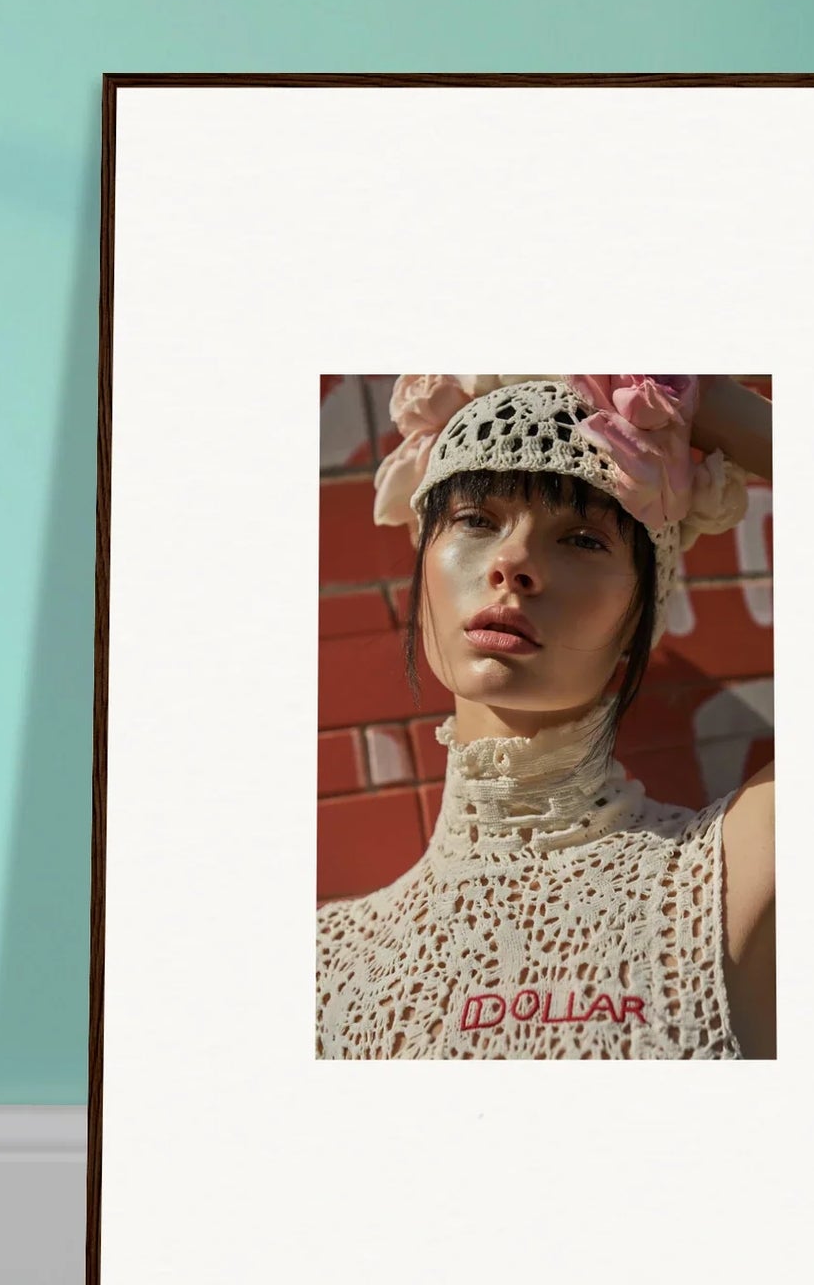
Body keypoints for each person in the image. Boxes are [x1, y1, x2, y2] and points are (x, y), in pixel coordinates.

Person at [316, 375, 774, 1060]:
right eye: (475, 520)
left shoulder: (729, 880)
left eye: (584, 539)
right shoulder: (325, 965)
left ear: (639, 616)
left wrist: (684, 389)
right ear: (423, 569)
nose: (513, 562)